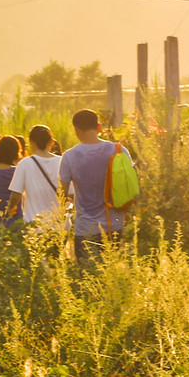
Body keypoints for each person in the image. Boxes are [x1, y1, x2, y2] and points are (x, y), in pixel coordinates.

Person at [60, 109, 130, 269]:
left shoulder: (70, 156)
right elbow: (131, 184)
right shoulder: (119, 150)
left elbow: (62, 193)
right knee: (112, 274)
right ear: (98, 127)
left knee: (88, 277)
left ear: (76, 130)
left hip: (85, 227)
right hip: (115, 224)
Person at [5, 124, 63, 228]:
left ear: (31, 142)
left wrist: (9, 209)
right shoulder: (62, 162)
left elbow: (16, 195)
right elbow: (71, 195)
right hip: (59, 226)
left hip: (34, 226)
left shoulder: (24, 163)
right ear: (51, 142)